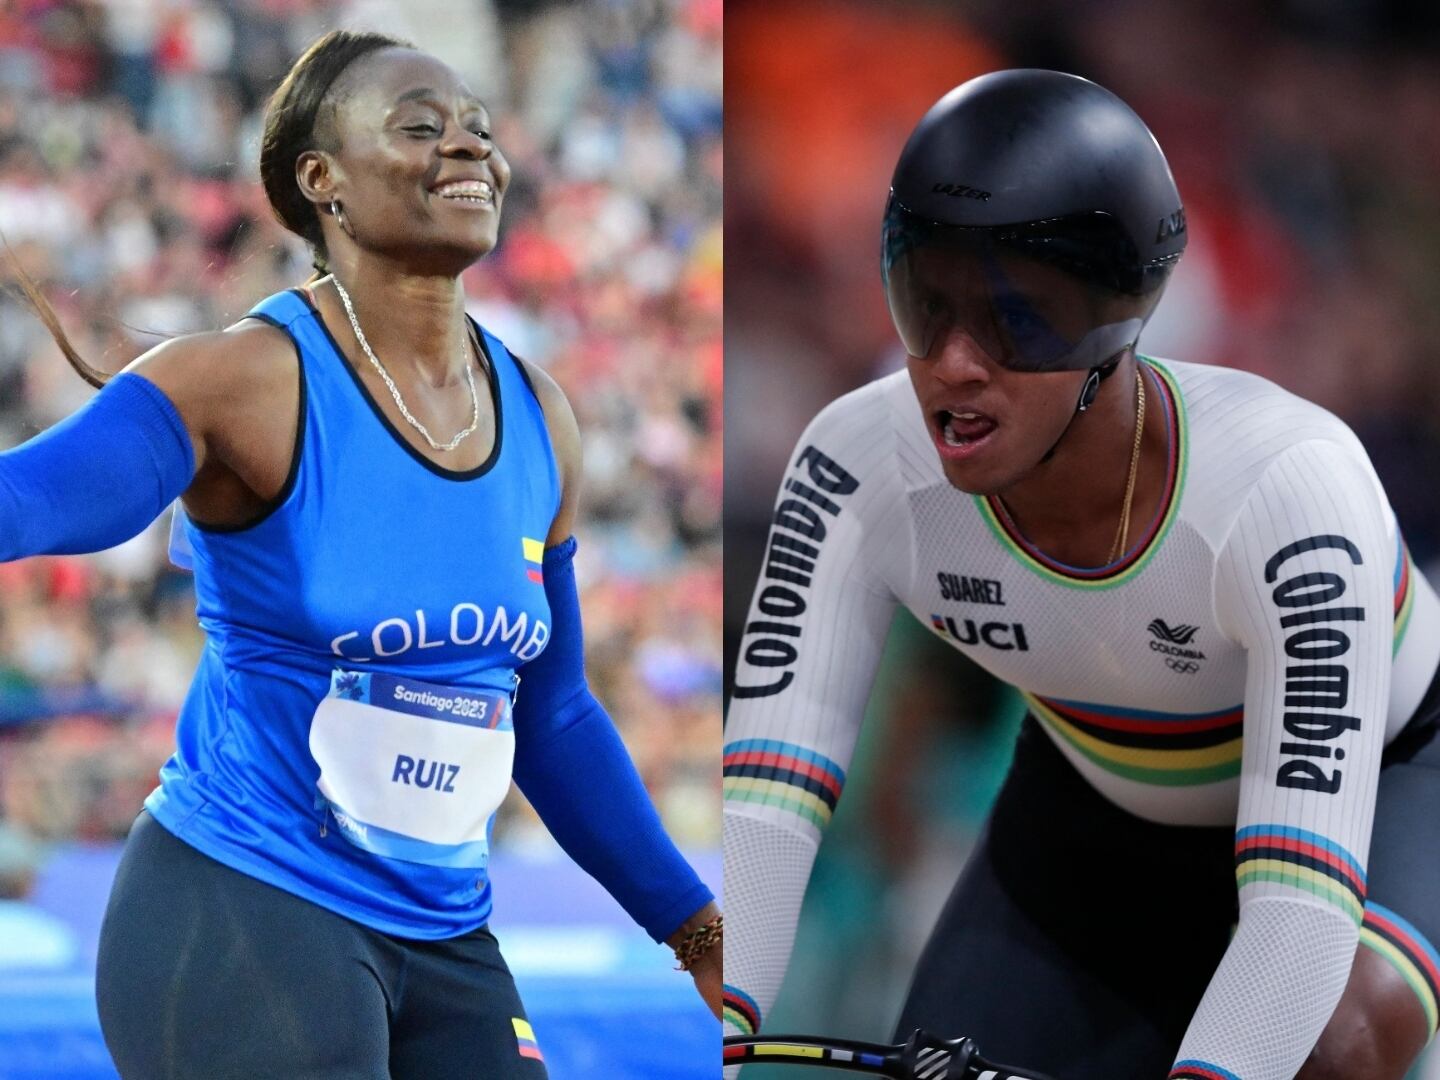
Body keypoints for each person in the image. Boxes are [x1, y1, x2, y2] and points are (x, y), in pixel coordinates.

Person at [0, 29, 721, 1079]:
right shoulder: (244, 380)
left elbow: (553, 713)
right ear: (322, 179)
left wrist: (699, 934)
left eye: (478, 128)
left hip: (446, 932)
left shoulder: (538, 415)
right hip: (243, 900)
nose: (467, 149)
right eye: (420, 129)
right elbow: (31, 499)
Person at [723, 69, 1440, 1080]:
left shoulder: (1290, 490)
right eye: (925, 303)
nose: (957, 362)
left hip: (1393, 775)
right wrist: (704, 1010)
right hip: (1104, 797)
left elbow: (1296, 914)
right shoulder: (854, 463)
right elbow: (761, 806)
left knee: (1338, 1045)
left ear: (1118, 326)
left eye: (1018, 319)